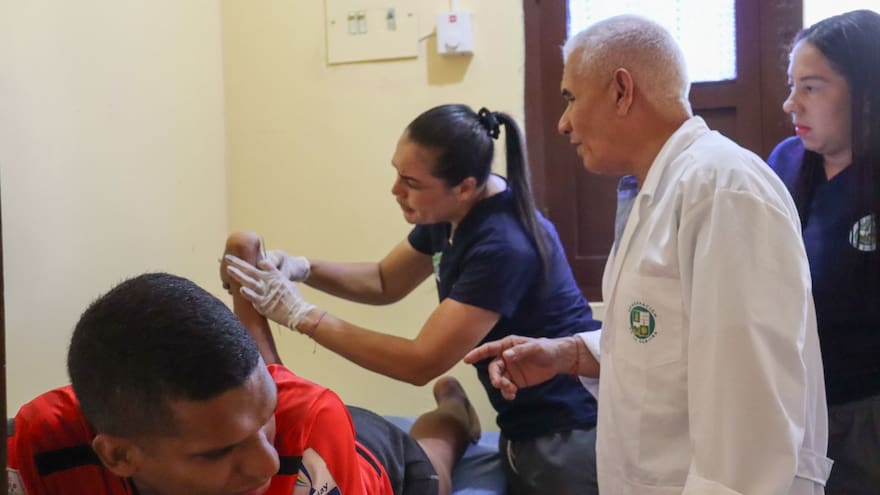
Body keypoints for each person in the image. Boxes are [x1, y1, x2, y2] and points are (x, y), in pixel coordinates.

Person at [463, 14, 832, 494]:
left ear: (622, 91)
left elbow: (748, 404)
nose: (563, 123)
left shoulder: (723, 189)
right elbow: (665, 336)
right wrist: (569, 354)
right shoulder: (657, 190)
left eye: (571, 98)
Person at [223, 104, 602, 494]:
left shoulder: (504, 244)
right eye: (396, 173)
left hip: (565, 427)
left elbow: (421, 362)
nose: (395, 190)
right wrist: (303, 268)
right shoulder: (454, 208)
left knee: (428, 470)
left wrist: (301, 315)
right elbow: (384, 280)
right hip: (521, 422)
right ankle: (454, 410)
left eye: (410, 182)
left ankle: (454, 412)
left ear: (464, 187)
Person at [6, 231, 480, 495]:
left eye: (263, 424)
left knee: (434, 462)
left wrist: (263, 423)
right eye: (218, 451)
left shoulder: (306, 441)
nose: (265, 464)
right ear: (118, 456)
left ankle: (454, 416)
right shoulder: (43, 445)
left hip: (371, 451)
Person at [767, 10, 880, 493]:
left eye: (811, 88)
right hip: (792, 407)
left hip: (863, 411)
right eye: (792, 86)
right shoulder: (785, 162)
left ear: (867, 92)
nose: (791, 104)